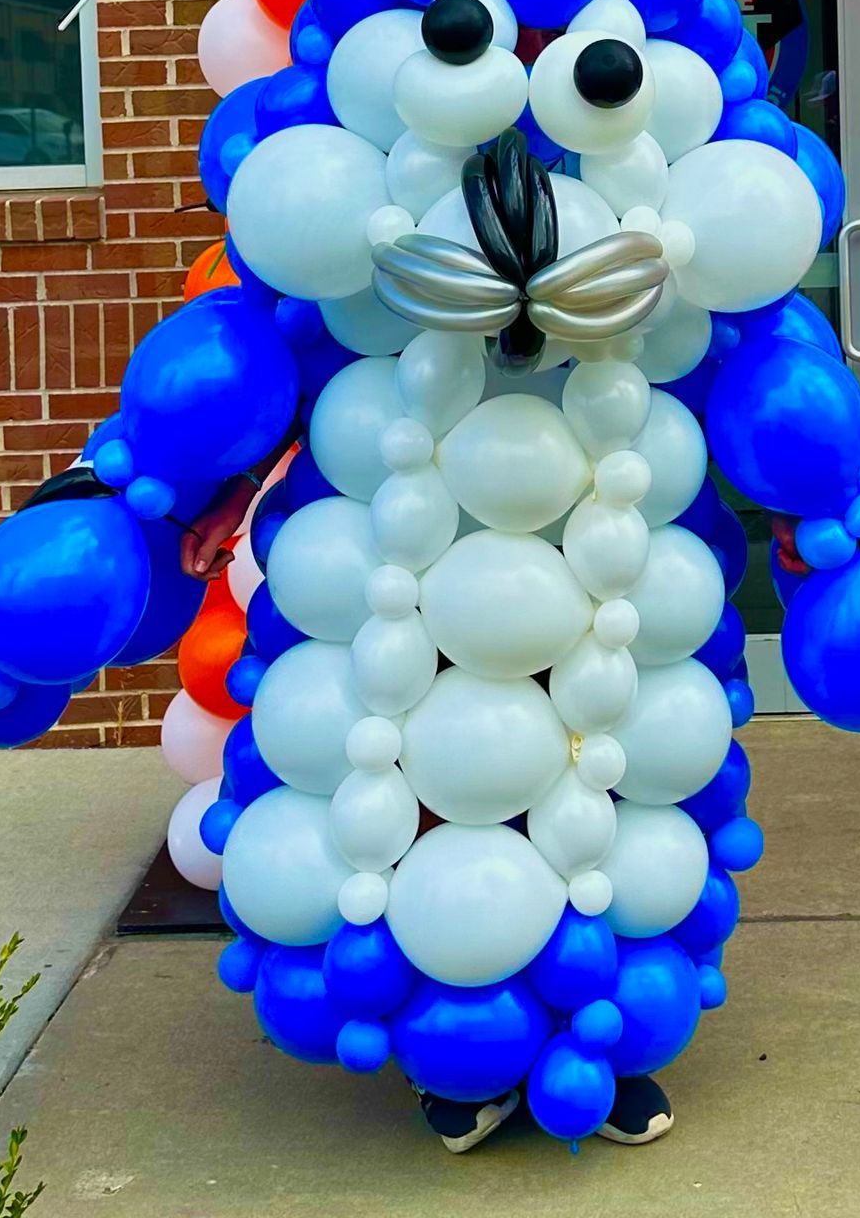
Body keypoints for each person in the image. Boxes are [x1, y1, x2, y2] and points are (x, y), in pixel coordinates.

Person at [177, 458, 676, 1153]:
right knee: (417, 763)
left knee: (591, 763)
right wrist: (215, 482)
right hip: (396, 502)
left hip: (586, 499)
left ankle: (596, 1035)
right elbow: (269, 356)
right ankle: (452, 1049)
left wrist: (812, 508)